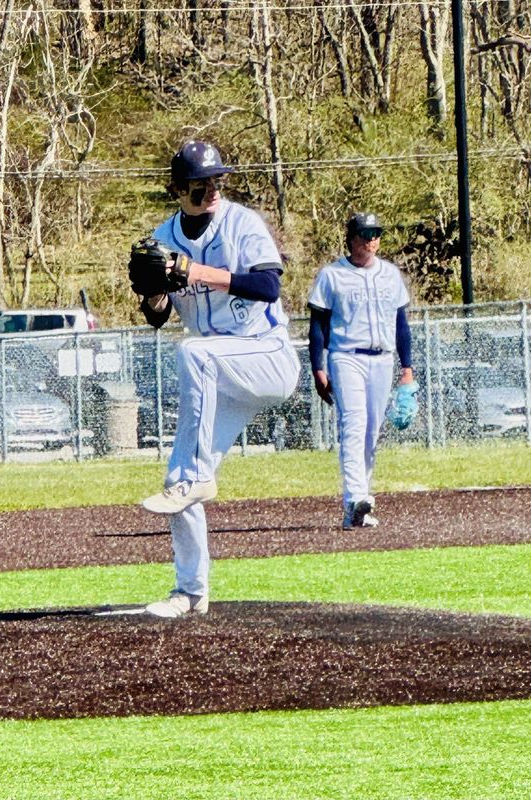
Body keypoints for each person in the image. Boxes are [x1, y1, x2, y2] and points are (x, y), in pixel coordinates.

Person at [131, 140, 300, 617]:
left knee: (195, 352)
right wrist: (154, 294)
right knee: (179, 478)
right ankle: (190, 591)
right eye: (201, 185)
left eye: (216, 182)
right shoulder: (163, 237)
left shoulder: (241, 223)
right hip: (218, 374)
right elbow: (158, 316)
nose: (212, 191)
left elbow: (268, 285)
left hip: (265, 357)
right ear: (177, 190)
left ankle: (198, 479)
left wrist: (196, 271)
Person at [307, 211, 415, 530]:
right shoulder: (332, 275)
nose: (371, 240)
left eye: (376, 234)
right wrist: (318, 368)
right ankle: (354, 498)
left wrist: (407, 369)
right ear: (351, 238)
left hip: (382, 358)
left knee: (371, 433)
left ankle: (361, 506)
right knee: (354, 425)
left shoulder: (390, 274)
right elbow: (318, 327)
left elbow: (402, 326)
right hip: (346, 356)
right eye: (365, 234)